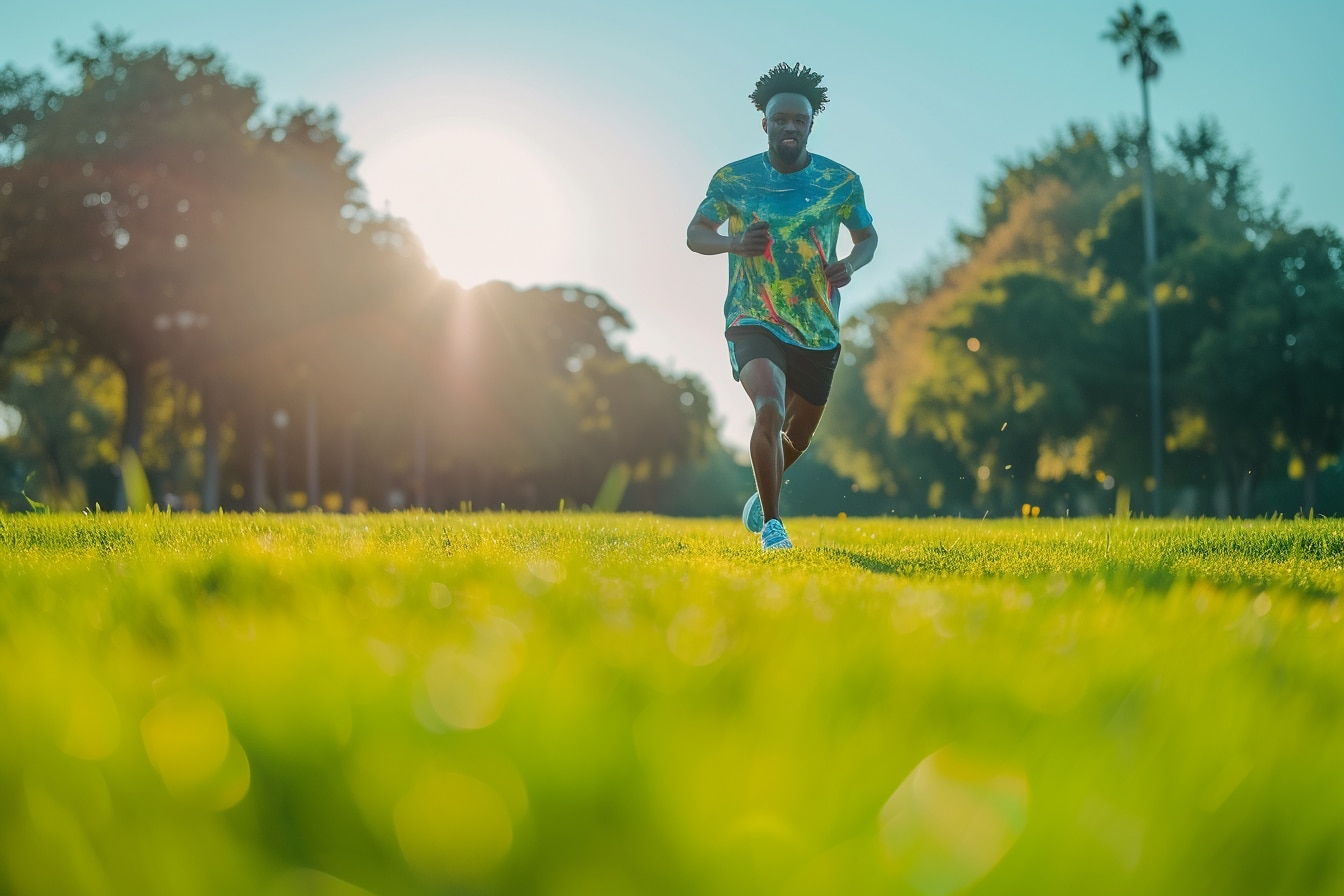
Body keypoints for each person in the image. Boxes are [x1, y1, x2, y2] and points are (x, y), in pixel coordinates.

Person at [686, 62, 878, 551]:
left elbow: (868, 237)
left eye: (799, 120)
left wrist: (852, 264)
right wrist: (734, 245)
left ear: (810, 125)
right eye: (780, 119)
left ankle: (760, 494)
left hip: (817, 326)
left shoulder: (841, 182)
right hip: (753, 315)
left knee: (797, 437)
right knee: (767, 406)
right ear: (765, 123)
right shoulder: (734, 178)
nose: (789, 127)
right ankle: (773, 527)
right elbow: (695, 235)